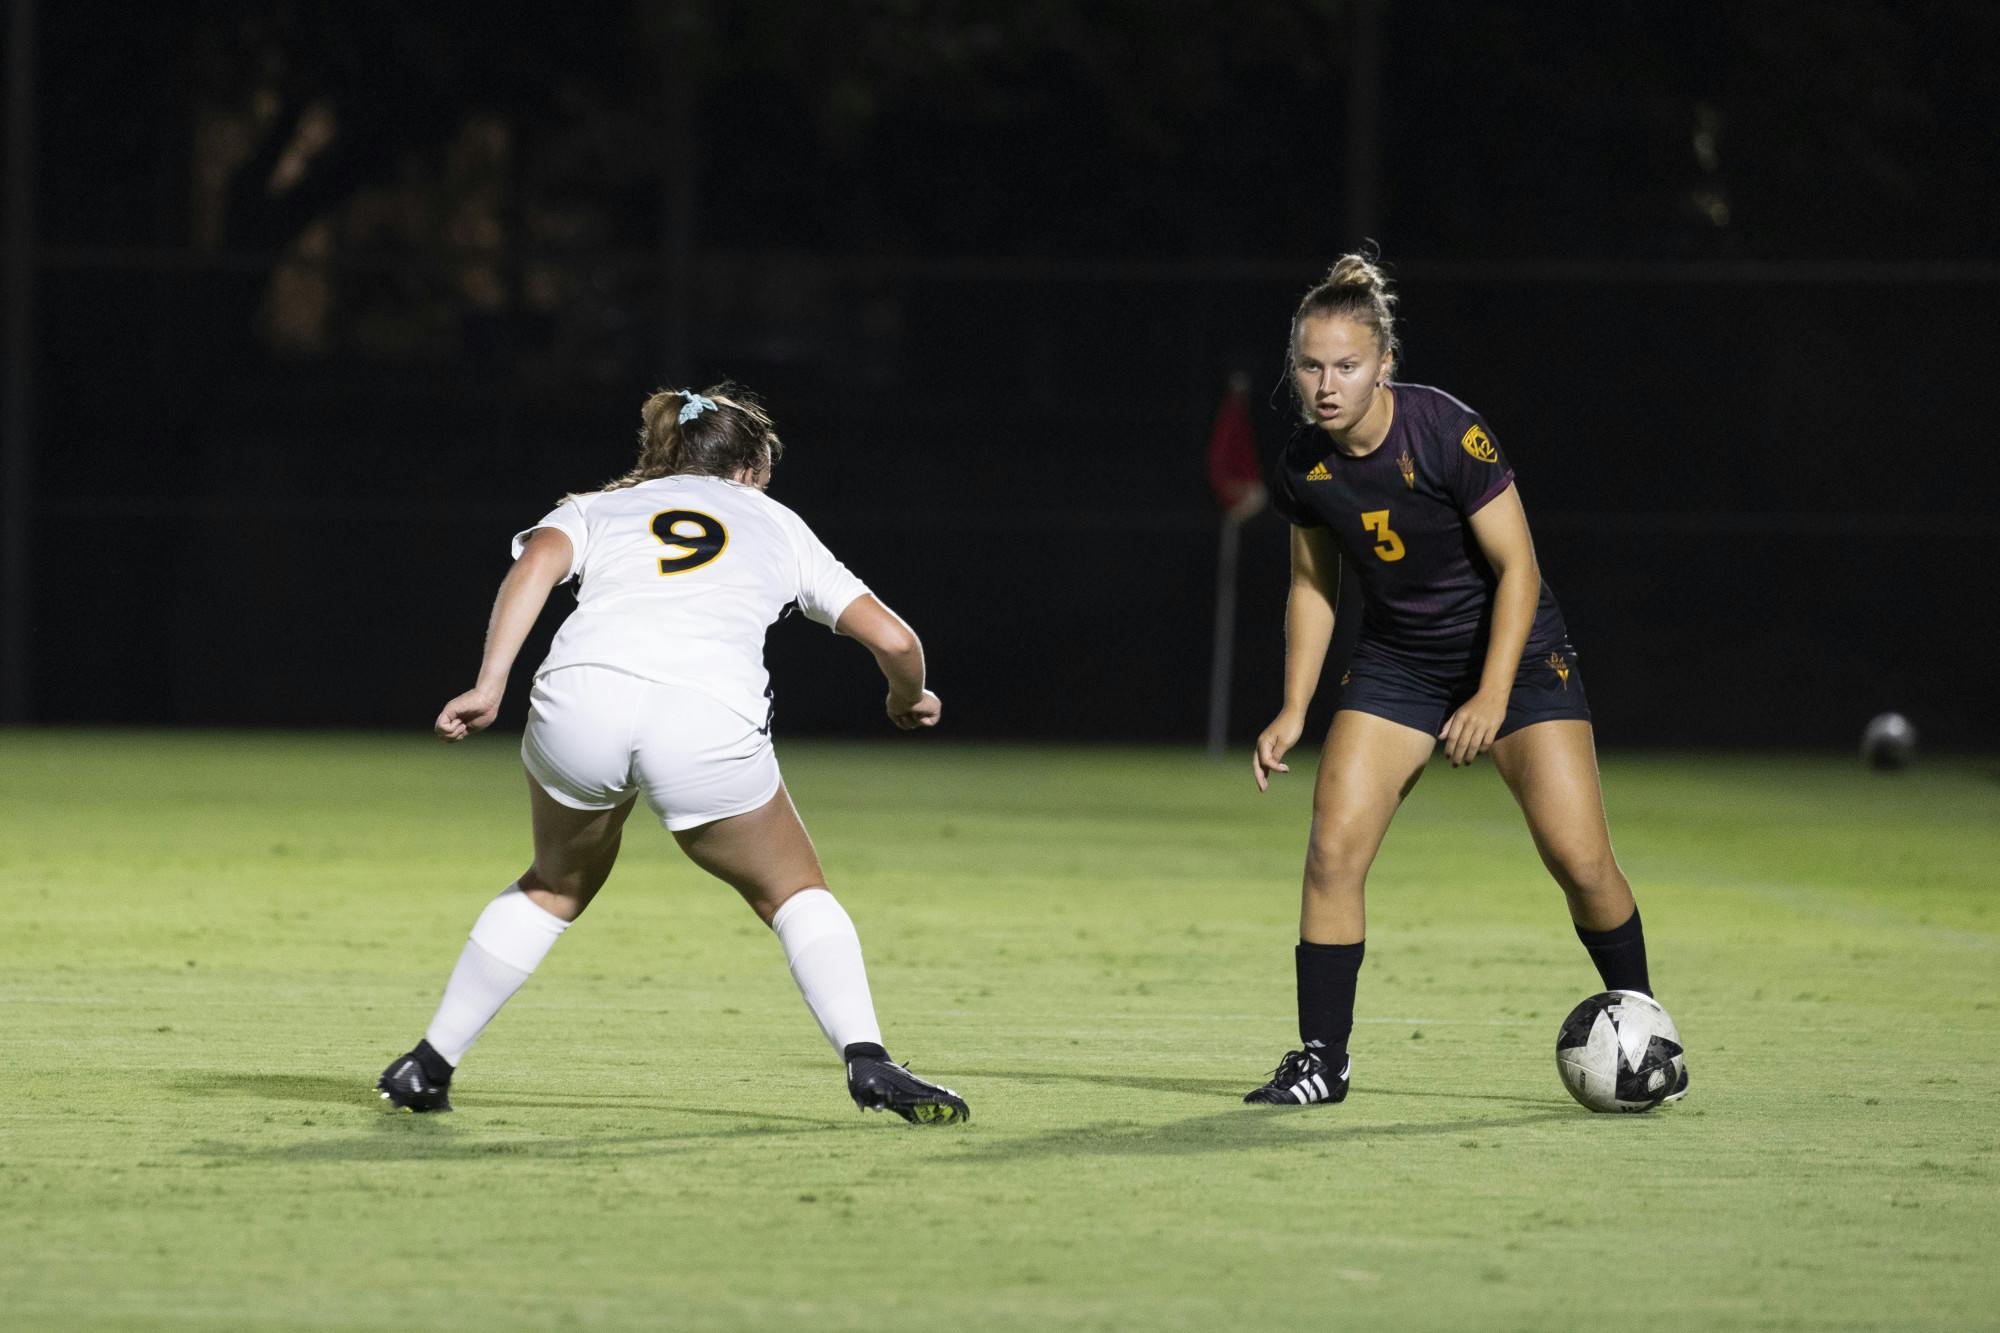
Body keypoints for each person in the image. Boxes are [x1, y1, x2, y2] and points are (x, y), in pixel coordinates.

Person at [376, 384, 969, 1125]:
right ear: (750, 468)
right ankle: (867, 1056)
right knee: (792, 891)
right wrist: (905, 697)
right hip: (704, 715)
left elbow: (532, 571)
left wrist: (490, 682)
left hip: (580, 697)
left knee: (557, 884)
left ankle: (427, 1063)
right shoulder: (777, 523)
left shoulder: (595, 507)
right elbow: (896, 641)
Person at [1242, 255, 1684, 1109]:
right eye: (1310, 365)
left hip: (1516, 659)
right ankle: (1321, 1060)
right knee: (1332, 848)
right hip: (1400, 663)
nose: (1326, 385)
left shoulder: (1447, 432)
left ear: (1384, 366)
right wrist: (1295, 706)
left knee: (1581, 860)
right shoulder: (1304, 464)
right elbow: (1312, 584)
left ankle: (1647, 1028)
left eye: (1347, 366)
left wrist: (1488, 696)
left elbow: (1518, 567)